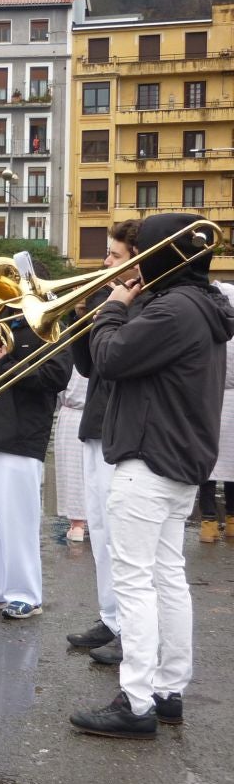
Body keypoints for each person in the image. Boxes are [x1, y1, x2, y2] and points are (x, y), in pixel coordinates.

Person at [71, 213, 234, 739]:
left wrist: (114, 307)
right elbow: (104, 364)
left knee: (136, 582)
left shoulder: (174, 310)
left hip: (149, 458)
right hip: (175, 460)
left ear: (164, 254)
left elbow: (113, 357)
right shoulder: (196, 306)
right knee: (166, 577)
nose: (134, 262)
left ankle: (136, 700)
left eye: (143, 251)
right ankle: (167, 690)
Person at [0, 280, 71, 620]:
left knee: (17, 519)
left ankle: (25, 593)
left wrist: (7, 363)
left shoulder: (50, 329)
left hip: (22, 434)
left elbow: (57, 376)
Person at [65, 220, 141, 662]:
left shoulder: (141, 304)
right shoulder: (107, 300)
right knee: (99, 527)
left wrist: (111, 313)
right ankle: (110, 617)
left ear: (136, 258)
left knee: (120, 536)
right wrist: (81, 321)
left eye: (113, 255)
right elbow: (91, 367)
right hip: (95, 424)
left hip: (121, 430)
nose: (105, 262)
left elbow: (117, 362)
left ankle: (129, 630)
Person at [197, 279, 234, 543]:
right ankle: (230, 519)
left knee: (208, 462)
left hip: (208, 397)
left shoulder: (205, 328)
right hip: (217, 398)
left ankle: (209, 521)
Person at [54, 369, 88, 542]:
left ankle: (77, 524)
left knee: (72, 470)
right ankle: (80, 523)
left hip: (73, 410)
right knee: (80, 470)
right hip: (85, 411)